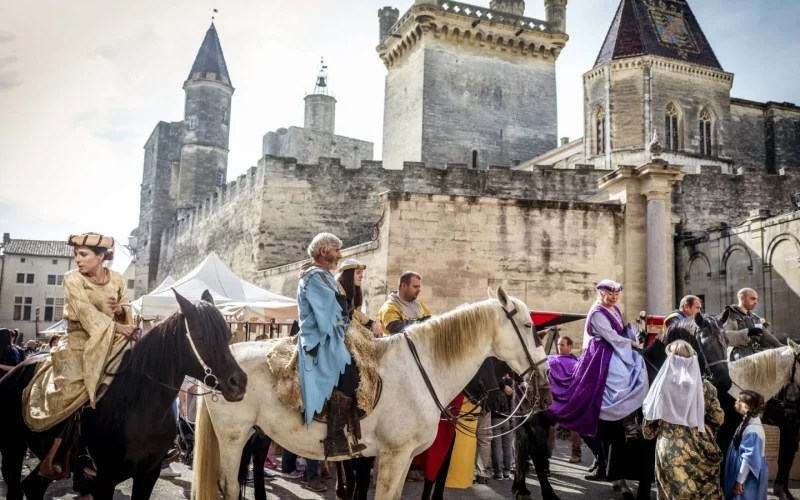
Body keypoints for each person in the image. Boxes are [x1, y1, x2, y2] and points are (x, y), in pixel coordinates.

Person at [23, 233, 136, 479]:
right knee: (74, 386)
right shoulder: (72, 279)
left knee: (141, 373)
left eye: (83, 254)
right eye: (76, 254)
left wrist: (120, 311)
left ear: (101, 257)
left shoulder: (116, 278)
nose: (77, 260)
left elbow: (127, 307)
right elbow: (84, 312)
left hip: (111, 340)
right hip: (77, 340)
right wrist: (116, 326)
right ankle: (63, 449)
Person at [547, 279, 649, 483]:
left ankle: (628, 418)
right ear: (601, 293)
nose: (613, 297)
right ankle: (618, 410)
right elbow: (611, 337)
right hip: (602, 354)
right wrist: (629, 342)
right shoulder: (597, 314)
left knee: (636, 366)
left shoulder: (614, 310)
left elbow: (619, 332)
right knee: (620, 376)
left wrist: (630, 334)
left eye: (616, 294)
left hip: (613, 348)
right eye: (610, 294)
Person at [296, 232, 366, 465]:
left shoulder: (324, 276)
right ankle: (333, 437)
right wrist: (345, 316)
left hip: (332, 336)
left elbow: (341, 308)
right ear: (323, 251)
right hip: (320, 340)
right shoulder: (314, 277)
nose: (340, 255)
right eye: (336, 250)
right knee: (350, 375)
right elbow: (330, 313)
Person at [642, 340, 725, 499]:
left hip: (668, 448)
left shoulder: (662, 386)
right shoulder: (705, 387)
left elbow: (649, 426)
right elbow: (718, 418)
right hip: (698, 447)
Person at [723, 390, 769, 500]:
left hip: (747, 476)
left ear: (747, 406)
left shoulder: (753, 431)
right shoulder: (748, 423)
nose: (736, 402)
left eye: (739, 400)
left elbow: (749, 459)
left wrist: (740, 481)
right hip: (742, 471)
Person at [547, 336, 584, 464]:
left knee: (575, 428)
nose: (559, 347)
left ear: (570, 346)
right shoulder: (551, 360)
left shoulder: (578, 363)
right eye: (558, 344)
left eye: (562, 344)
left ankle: (576, 454)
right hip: (554, 401)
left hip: (570, 402)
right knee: (550, 428)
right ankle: (548, 454)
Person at [723, 288, 781, 361]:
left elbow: (767, 338)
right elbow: (725, 336)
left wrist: (785, 348)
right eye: (752, 299)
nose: (756, 302)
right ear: (742, 298)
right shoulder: (730, 315)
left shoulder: (755, 319)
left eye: (756, 299)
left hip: (756, 353)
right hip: (737, 357)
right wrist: (748, 332)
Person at [335, 259, 383, 337]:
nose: (362, 276)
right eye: (358, 273)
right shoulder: (337, 290)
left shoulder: (356, 292)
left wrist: (373, 325)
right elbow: (349, 314)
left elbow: (358, 314)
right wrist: (370, 324)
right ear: (348, 275)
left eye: (361, 273)